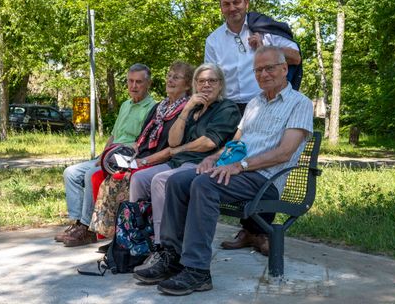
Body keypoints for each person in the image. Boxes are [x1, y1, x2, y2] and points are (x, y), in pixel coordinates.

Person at [133, 46, 313, 296]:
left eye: (269, 68)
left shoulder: (300, 103)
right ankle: (172, 257)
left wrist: (240, 166)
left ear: (285, 69)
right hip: (238, 171)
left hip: (265, 179)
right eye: (258, 70)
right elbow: (235, 142)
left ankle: (197, 271)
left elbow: (284, 152)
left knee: (204, 185)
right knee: (176, 180)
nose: (263, 74)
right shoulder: (255, 103)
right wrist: (213, 158)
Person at [205, 0, 302, 251]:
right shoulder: (213, 40)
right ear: (221, 7)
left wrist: (265, 47)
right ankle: (248, 230)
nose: (232, 7)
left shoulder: (264, 28)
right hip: (229, 108)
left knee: (260, 161)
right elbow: (212, 76)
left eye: (237, 2)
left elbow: (296, 56)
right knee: (233, 159)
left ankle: (259, 231)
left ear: (246, 3)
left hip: (264, 102)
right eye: (227, 3)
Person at [129, 63, 241, 252]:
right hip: (178, 162)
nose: (206, 85)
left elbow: (209, 142)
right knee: (139, 178)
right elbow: (173, 141)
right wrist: (187, 109)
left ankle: (162, 246)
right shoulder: (193, 109)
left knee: (160, 180)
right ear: (195, 84)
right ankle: (137, 238)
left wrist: (179, 150)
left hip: (202, 164)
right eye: (201, 81)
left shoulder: (226, 108)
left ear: (220, 84)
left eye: (212, 81)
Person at [88, 61, 194, 240]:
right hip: (140, 155)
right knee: (99, 174)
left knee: (120, 179)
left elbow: (172, 148)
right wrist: (116, 156)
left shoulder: (187, 109)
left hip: (159, 160)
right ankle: (117, 238)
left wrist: (143, 161)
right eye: (169, 76)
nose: (170, 80)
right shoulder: (160, 107)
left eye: (176, 77)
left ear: (188, 83)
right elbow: (141, 139)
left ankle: (135, 236)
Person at [55, 63, 155, 247]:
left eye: (139, 82)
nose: (133, 86)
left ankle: (87, 229)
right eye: (130, 81)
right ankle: (76, 222)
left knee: (89, 174)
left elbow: (142, 142)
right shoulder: (125, 105)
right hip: (110, 155)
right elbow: (113, 136)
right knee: (71, 172)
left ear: (148, 83)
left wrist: (110, 158)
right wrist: (100, 157)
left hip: (128, 157)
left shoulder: (152, 108)